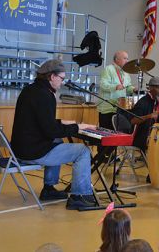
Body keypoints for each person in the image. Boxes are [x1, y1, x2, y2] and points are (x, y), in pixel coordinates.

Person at [10, 59, 98, 210]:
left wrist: (61, 122)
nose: (62, 83)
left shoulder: (30, 90)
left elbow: (39, 121)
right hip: (31, 152)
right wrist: (77, 127)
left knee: (57, 141)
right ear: (52, 77)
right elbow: (50, 130)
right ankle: (79, 196)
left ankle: (48, 189)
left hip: (18, 148)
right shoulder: (46, 96)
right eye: (62, 79)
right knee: (82, 151)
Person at [98, 50, 135, 130]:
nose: (127, 61)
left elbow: (127, 87)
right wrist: (115, 87)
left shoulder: (126, 73)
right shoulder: (108, 69)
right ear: (117, 59)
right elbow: (102, 85)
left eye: (127, 59)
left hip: (120, 108)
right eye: (125, 58)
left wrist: (133, 89)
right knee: (107, 134)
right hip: (108, 109)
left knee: (117, 135)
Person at [130, 76, 159, 153]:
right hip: (141, 138)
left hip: (154, 136)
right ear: (151, 88)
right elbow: (133, 121)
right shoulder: (142, 102)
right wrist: (149, 116)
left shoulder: (157, 102)